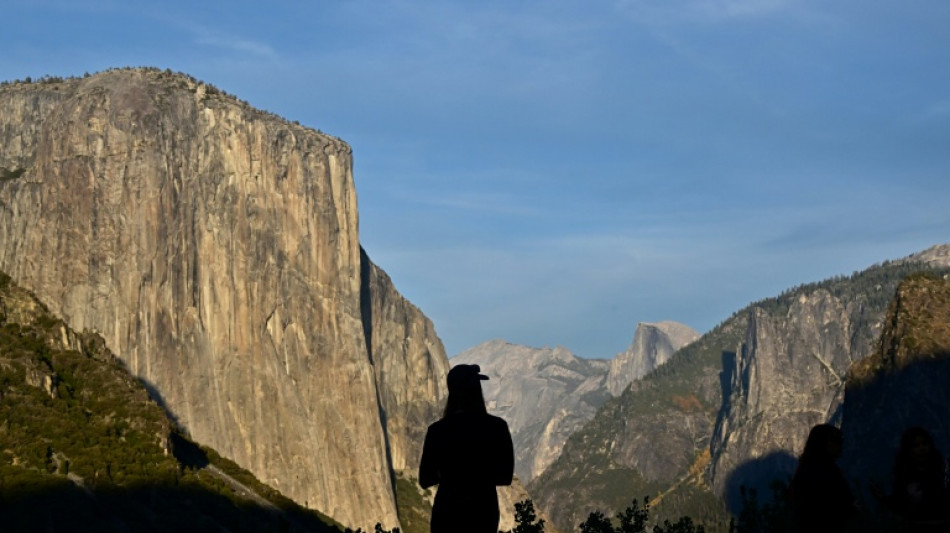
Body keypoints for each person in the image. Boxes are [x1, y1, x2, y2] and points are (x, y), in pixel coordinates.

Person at [419, 364, 515, 533]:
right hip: (482, 512)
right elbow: (505, 476)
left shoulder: (438, 431)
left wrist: (451, 475)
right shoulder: (496, 427)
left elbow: (425, 479)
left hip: (447, 513)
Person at [881, 426, 950, 532]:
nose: (922, 449)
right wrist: (883, 499)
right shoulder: (904, 477)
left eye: (924, 444)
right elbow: (900, 506)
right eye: (916, 446)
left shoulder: (941, 473)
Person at [789, 424, 855, 532]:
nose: (841, 445)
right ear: (824, 443)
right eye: (836, 440)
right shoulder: (824, 472)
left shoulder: (807, 469)